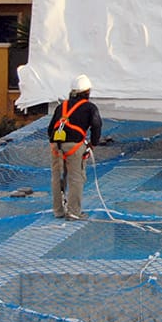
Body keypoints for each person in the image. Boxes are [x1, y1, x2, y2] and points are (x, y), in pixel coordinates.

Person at [48, 74, 102, 220]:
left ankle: (58, 211)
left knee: (57, 178)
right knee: (75, 178)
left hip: (56, 146)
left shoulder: (61, 107)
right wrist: (93, 143)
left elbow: (50, 128)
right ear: (87, 92)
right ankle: (73, 212)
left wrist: (55, 143)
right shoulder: (90, 107)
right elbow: (96, 125)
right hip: (74, 146)